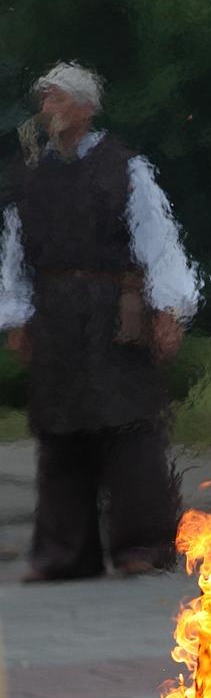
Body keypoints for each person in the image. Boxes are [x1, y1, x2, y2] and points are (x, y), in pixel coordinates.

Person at [0, 61, 200, 580]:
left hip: (115, 312)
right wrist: (16, 314)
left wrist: (170, 309)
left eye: (58, 100)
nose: (48, 111)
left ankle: (144, 545)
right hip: (57, 314)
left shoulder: (124, 166)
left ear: (86, 108)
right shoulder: (31, 175)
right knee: (61, 430)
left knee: (128, 425)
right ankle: (66, 553)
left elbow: (157, 238)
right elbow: (16, 252)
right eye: (45, 101)